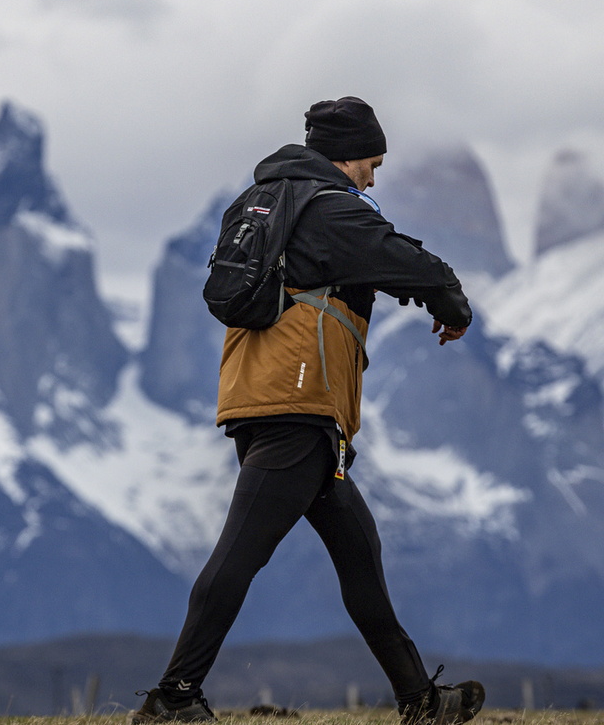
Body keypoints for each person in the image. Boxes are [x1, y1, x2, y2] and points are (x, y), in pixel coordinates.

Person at [132, 97, 484, 725]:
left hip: (266, 394)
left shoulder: (270, 203)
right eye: (372, 163)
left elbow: (358, 268)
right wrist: (452, 307)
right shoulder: (330, 208)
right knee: (239, 553)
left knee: (360, 555)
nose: (374, 177)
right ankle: (174, 696)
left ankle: (420, 701)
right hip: (297, 402)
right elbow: (408, 261)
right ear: (347, 154)